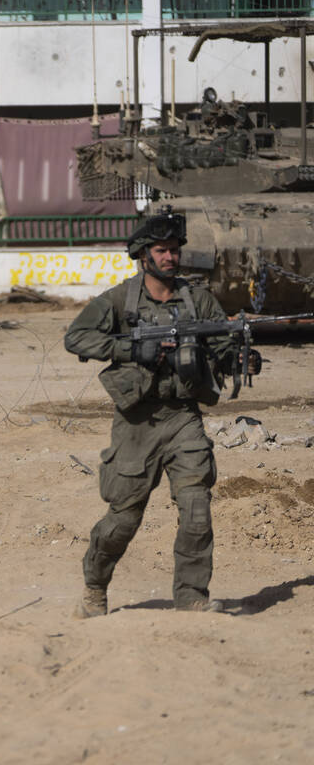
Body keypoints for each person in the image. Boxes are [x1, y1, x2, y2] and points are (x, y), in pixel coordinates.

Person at [64, 207, 259, 619]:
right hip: (138, 422)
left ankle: (191, 596)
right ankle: (95, 587)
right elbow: (76, 337)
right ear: (143, 254)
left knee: (196, 509)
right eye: (161, 250)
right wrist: (131, 349)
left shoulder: (198, 299)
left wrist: (242, 358)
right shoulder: (120, 299)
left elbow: (220, 343)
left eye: (174, 250)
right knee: (123, 518)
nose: (170, 257)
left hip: (184, 416)